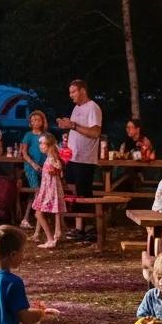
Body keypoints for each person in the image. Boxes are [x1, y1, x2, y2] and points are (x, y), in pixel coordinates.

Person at [56, 79, 102, 242]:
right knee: (75, 192)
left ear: (82, 90)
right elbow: (74, 129)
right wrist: (66, 128)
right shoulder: (76, 108)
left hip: (85, 158)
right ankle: (79, 228)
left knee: (84, 193)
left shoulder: (93, 108)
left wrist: (73, 125)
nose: (71, 95)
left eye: (73, 91)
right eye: (70, 92)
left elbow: (95, 132)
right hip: (73, 156)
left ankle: (92, 229)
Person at [31, 132, 66, 248]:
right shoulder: (49, 157)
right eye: (39, 143)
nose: (40, 145)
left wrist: (56, 169)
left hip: (50, 190)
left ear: (49, 144)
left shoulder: (51, 157)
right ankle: (52, 237)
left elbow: (59, 167)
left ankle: (51, 238)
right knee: (39, 213)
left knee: (39, 213)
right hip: (47, 189)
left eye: (42, 143)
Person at [19, 109, 48, 228]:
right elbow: (24, 153)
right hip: (31, 166)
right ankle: (29, 218)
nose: (35, 122)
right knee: (37, 191)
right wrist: (33, 164)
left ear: (42, 121)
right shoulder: (28, 135)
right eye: (33, 120)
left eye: (38, 120)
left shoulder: (45, 136)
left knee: (41, 192)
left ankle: (33, 218)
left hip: (44, 166)